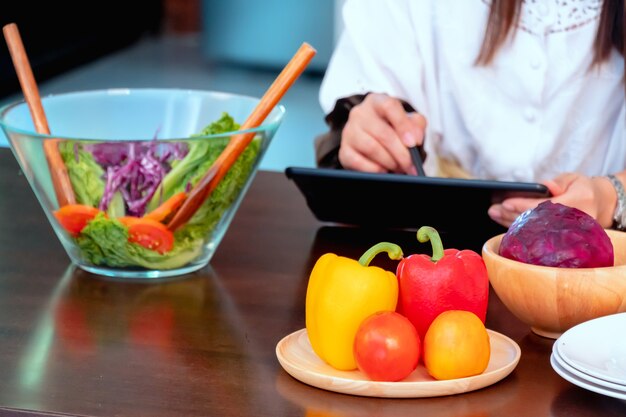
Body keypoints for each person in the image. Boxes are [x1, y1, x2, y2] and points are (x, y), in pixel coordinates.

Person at [315, 0, 625, 230]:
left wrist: (611, 195)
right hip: (435, 249)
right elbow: (367, 85)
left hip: (605, 265)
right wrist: (368, 135)